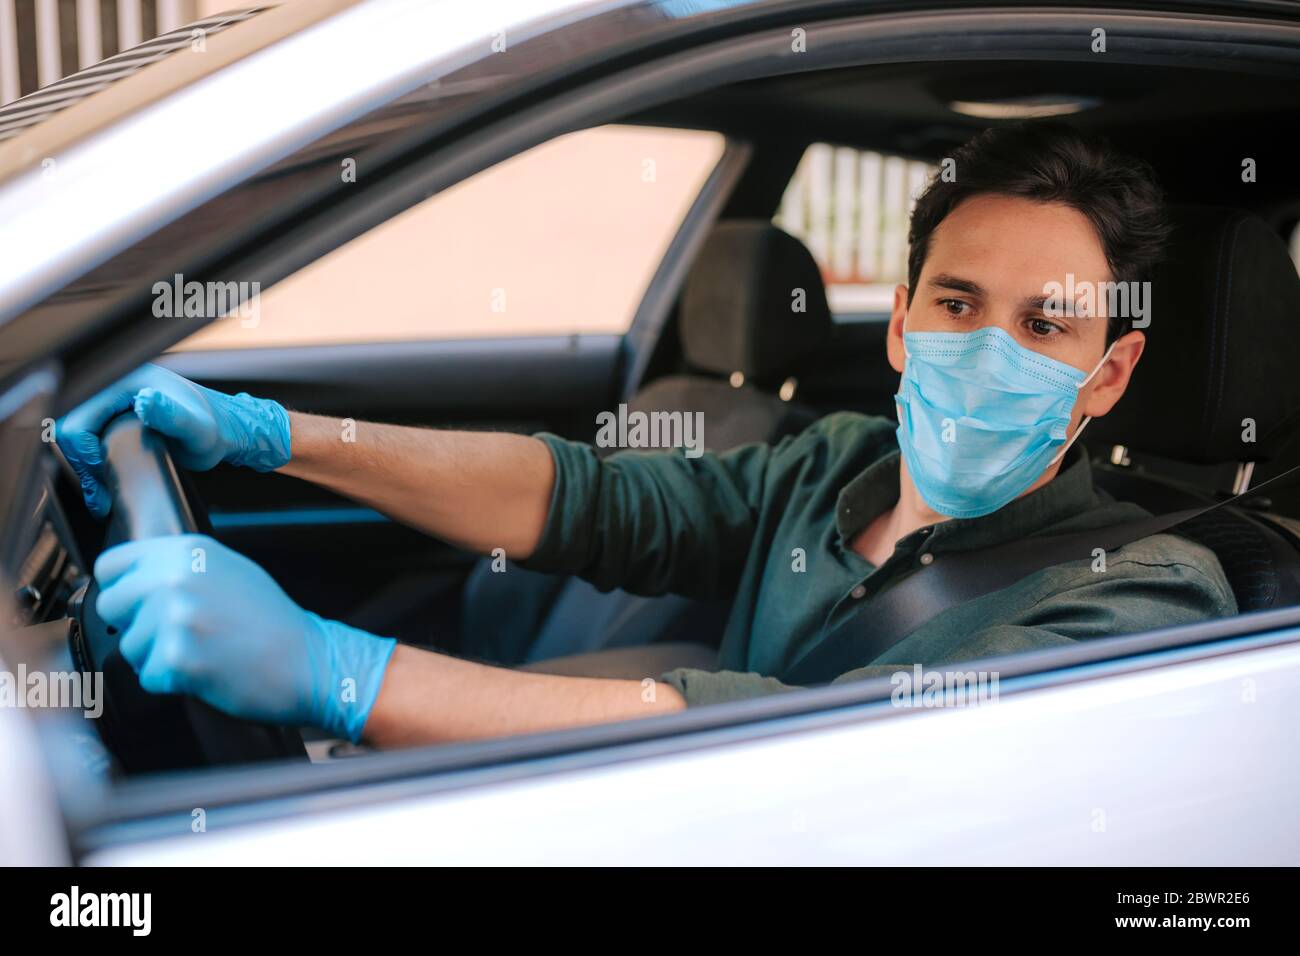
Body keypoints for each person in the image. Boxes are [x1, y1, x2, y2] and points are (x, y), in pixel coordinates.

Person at [59, 123, 1235, 748]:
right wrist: (275, 434)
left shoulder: (1144, 599)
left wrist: (342, 676)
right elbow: (584, 500)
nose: (988, 350)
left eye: (1046, 326)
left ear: (1106, 372)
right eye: (958, 304)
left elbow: (804, 734)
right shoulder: (836, 464)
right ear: (900, 325)